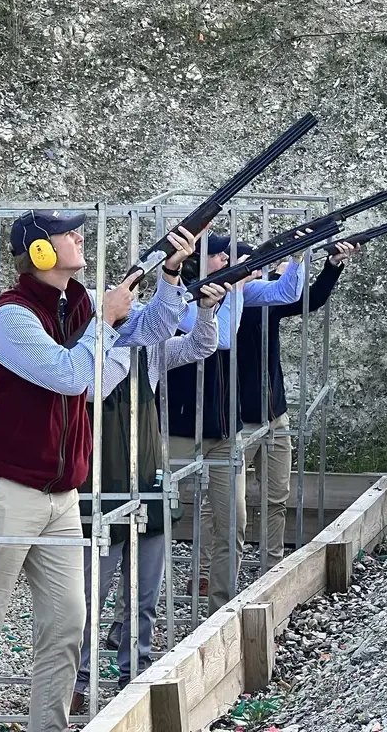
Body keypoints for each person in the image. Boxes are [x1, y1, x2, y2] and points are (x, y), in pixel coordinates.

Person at [0, 209, 199, 732]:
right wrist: (104, 319)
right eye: (68, 233)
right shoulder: (13, 316)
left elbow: (146, 333)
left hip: (61, 496)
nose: (80, 237)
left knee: (66, 628)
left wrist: (170, 275)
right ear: (39, 252)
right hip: (4, 492)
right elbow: (72, 377)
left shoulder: (76, 303)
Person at [70, 280, 228, 712]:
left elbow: (199, 346)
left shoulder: (150, 349)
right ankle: (79, 680)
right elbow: (94, 388)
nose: (133, 308)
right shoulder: (85, 354)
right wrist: (133, 332)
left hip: (147, 479)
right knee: (88, 596)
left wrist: (209, 309)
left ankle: (133, 676)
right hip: (100, 483)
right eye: (127, 304)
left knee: (144, 595)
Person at [197, 240, 360, 587]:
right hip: (236, 422)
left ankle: (272, 572)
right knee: (223, 507)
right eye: (251, 264)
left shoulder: (261, 298)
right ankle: (207, 575)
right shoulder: (221, 304)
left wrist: (331, 265)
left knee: (276, 499)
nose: (259, 271)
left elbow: (308, 299)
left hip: (274, 415)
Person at [166, 232, 308, 615]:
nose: (227, 260)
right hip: (178, 428)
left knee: (234, 524)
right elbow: (222, 337)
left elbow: (286, 294)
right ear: (198, 262)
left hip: (224, 428)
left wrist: (296, 258)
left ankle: (220, 613)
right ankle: (133, 614)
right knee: (152, 528)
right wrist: (240, 285)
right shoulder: (180, 299)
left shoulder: (235, 292)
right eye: (219, 256)